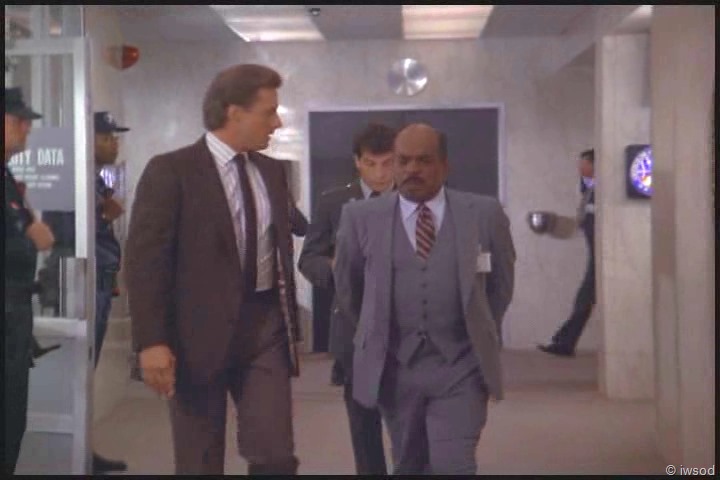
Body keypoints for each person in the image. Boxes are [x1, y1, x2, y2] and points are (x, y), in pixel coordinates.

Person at [125, 63, 301, 475]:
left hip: (264, 327)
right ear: (234, 112)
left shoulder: (272, 172)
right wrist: (151, 341)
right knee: (200, 459)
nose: (277, 123)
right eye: (269, 112)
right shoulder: (172, 171)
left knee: (275, 452)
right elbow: (146, 262)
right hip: (195, 334)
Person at [333, 123, 516, 474]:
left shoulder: (484, 214)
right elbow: (350, 288)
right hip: (395, 369)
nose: (411, 169)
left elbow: (500, 287)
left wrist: (479, 331)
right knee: (409, 464)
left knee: (454, 464)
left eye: (424, 160)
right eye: (403, 161)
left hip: (461, 366)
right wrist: (377, 334)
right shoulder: (361, 218)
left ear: (444, 165)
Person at [298, 122, 396, 475]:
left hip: (407, 324)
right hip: (355, 327)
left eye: (388, 163)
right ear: (357, 161)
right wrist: (337, 268)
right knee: (363, 419)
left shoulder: (414, 199)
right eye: (371, 163)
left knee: (411, 420)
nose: (380, 173)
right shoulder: (334, 202)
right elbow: (308, 259)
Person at [4, 87, 56, 474]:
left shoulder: (7, 176)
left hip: (13, 322)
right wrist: (29, 240)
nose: (27, 128)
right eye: (18, 120)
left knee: (11, 426)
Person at [538, 149, 595, 357]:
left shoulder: (602, 189)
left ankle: (564, 343)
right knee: (584, 299)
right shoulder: (590, 187)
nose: (580, 168)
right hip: (595, 251)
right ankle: (565, 343)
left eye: (583, 163)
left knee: (584, 299)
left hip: (602, 254)